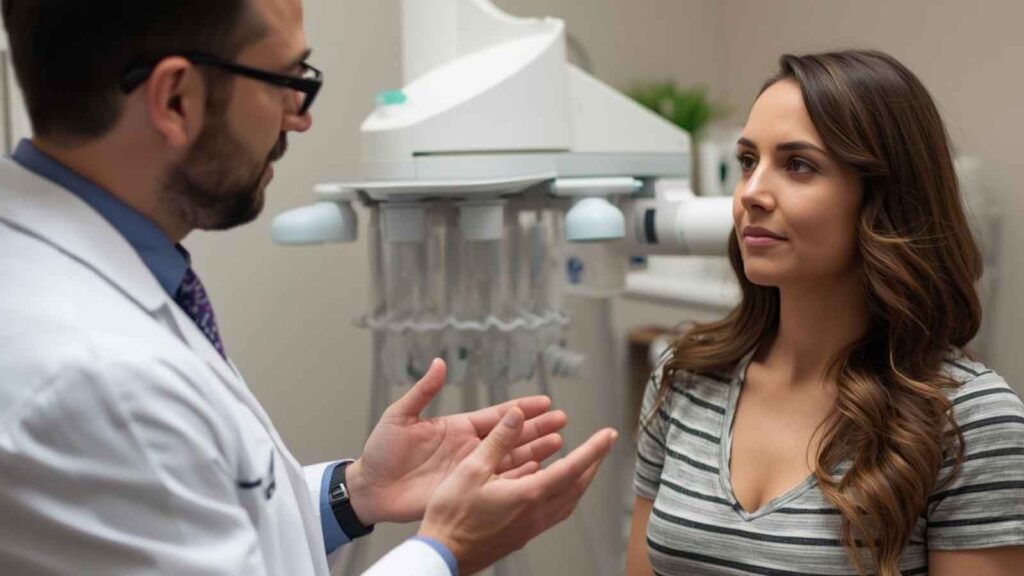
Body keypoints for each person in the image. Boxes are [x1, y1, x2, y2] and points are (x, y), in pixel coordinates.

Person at [0, 1, 619, 575]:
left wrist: (356, 493)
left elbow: (205, 519)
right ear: (177, 100)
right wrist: (447, 550)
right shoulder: (93, 375)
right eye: (288, 81)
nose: (301, 115)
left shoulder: (96, 278)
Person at [626, 50, 1024, 576]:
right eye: (749, 161)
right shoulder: (686, 377)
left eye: (798, 165)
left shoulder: (970, 420)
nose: (752, 193)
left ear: (882, 199)